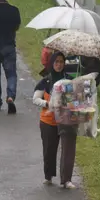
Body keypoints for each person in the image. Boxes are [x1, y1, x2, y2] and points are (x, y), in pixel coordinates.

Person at [32, 52, 77, 189]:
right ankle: (48, 176)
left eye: (61, 62)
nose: (59, 64)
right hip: (48, 120)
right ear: (52, 63)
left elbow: (75, 99)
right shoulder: (45, 81)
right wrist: (47, 104)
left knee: (68, 149)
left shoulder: (69, 80)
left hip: (66, 120)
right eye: (56, 62)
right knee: (49, 149)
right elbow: (35, 99)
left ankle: (66, 180)